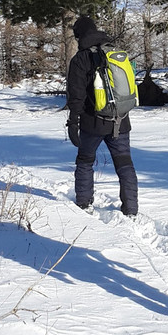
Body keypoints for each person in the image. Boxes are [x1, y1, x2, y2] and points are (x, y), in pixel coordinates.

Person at [65, 15, 139, 217]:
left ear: (78, 36)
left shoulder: (80, 59)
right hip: (121, 120)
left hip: (92, 123)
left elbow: (76, 94)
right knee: (125, 164)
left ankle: (84, 203)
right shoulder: (114, 52)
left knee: (85, 161)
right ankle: (131, 209)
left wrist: (73, 121)